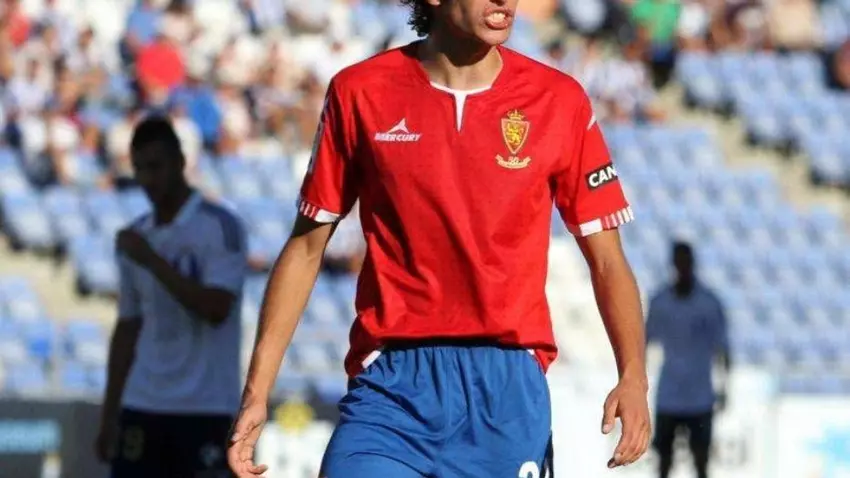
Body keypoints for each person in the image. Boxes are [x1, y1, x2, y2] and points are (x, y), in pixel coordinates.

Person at [227, 0, 652, 476]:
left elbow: (608, 260)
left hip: (505, 391)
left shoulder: (559, 99)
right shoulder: (360, 91)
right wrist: (257, 391)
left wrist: (633, 376)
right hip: (390, 384)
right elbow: (307, 247)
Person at [95, 116, 248, 477]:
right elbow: (128, 327)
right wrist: (109, 413)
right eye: (140, 169)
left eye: (156, 167)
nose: (148, 179)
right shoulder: (136, 236)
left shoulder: (220, 226)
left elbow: (216, 308)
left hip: (205, 406)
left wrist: (152, 260)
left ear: (180, 162)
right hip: (142, 403)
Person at [646, 241, 731, 478]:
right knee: (663, 460)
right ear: (673, 264)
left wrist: (725, 386)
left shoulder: (708, 303)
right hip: (669, 392)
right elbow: (644, 341)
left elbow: (723, 348)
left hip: (699, 394)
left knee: (701, 459)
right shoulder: (660, 302)